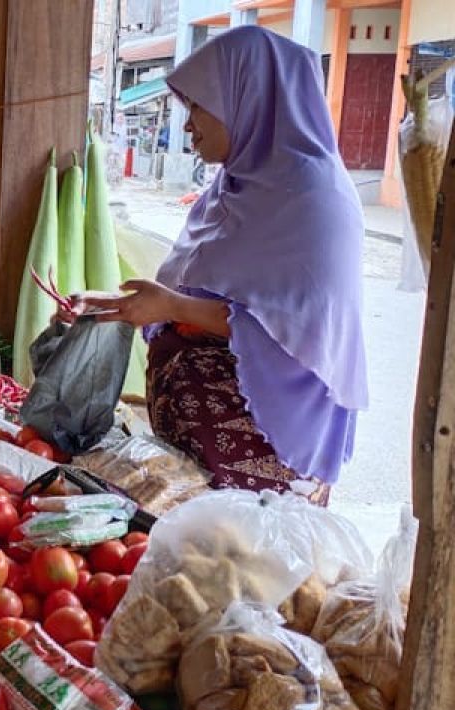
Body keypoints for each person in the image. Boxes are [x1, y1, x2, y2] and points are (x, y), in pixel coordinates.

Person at [62, 27, 368, 503]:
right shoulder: (233, 186)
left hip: (267, 448)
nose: (187, 126)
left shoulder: (314, 201)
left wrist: (171, 307)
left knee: (238, 568)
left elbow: (302, 328)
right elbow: (201, 295)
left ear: (248, 98)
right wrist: (117, 306)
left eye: (198, 107)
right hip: (202, 449)